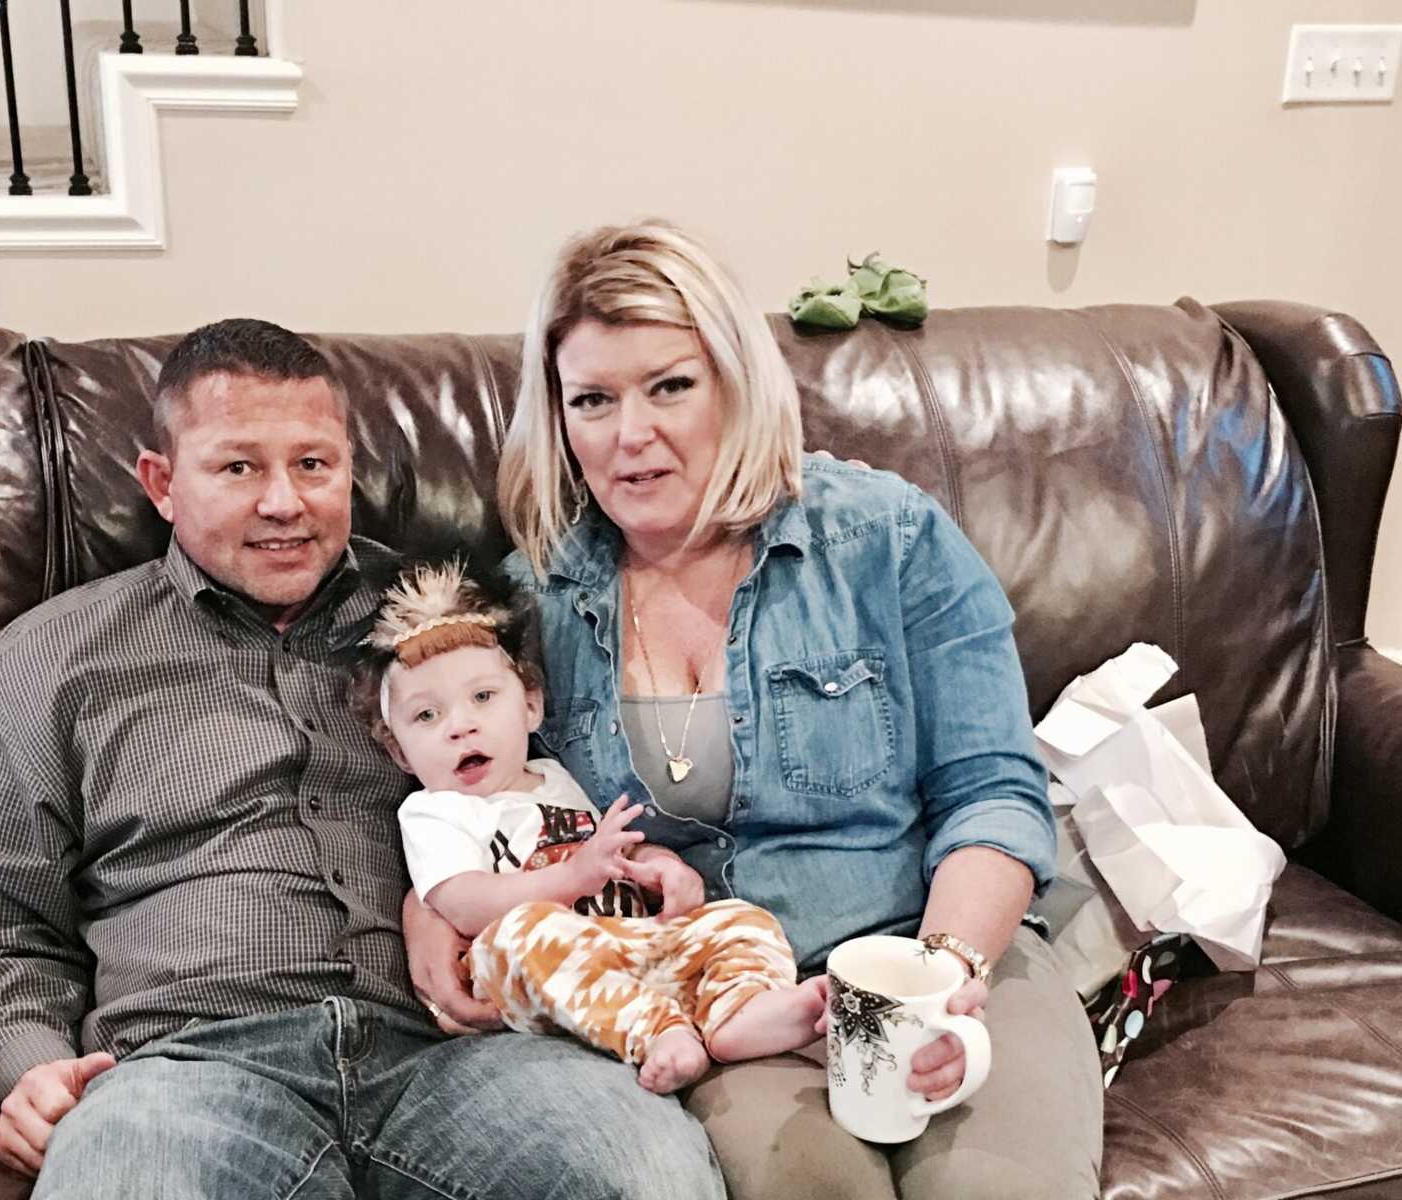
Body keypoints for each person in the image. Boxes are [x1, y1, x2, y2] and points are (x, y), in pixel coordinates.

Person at [0, 318, 726, 1200]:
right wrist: (31, 1063)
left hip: (462, 1056)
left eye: (312, 464)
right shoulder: (54, 656)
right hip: (186, 1070)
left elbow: (555, 796)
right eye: (237, 467)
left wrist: (562, 885)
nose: (284, 503)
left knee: (644, 1172)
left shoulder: (445, 624)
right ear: (162, 483)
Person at [406, 223, 1104, 1200]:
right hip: (732, 1000)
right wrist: (426, 903)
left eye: (670, 386)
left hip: (930, 948)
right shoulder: (538, 601)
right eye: (593, 401)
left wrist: (936, 976)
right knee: (809, 1186)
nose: (629, 435)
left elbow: (990, 792)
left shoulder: (884, 538)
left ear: (736, 384)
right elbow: (484, 792)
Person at [347, 557, 828, 1094]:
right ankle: (658, 1033)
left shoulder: (552, 776)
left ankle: (738, 1010)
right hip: (527, 972)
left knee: (741, 917)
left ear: (531, 706)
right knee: (530, 932)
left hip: (623, 946)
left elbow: (609, 849)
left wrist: (659, 867)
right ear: (400, 753)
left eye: (483, 697)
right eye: (426, 717)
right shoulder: (436, 811)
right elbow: (464, 902)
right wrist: (572, 879)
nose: (461, 726)